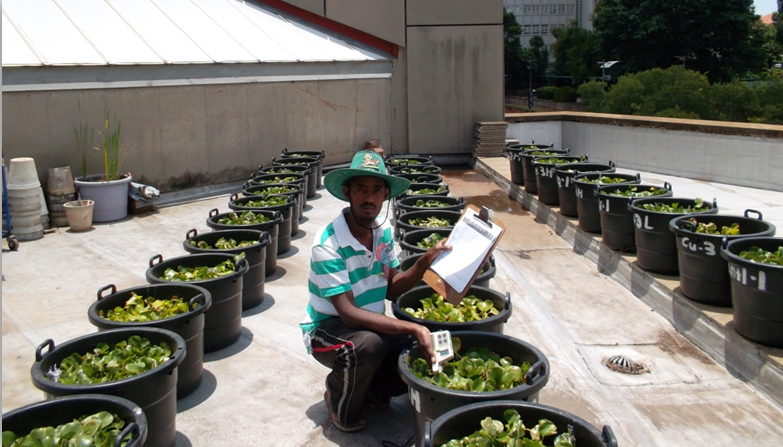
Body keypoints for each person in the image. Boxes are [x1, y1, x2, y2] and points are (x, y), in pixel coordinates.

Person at [300, 150, 451, 433]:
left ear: (385, 195)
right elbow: (348, 314)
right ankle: (336, 394)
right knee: (369, 346)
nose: (369, 198)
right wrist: (413, 327)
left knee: (409, 350)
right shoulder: (328, 244)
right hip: (328, 330)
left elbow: (392, 289)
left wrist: (423, 262)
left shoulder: (383, 233)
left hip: (367, 324)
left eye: (376, 190)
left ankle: (370, 387)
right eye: (361, 189)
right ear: (347, 192)